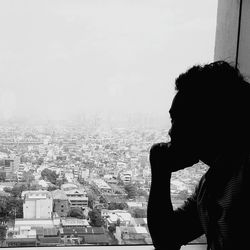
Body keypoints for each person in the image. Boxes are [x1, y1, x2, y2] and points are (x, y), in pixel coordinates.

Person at [147, 61, 250, 250]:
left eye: (178, 120)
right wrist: (161, 171)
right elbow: (167, 238)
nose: (171, 132)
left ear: (207, 120)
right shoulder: (212, 184)